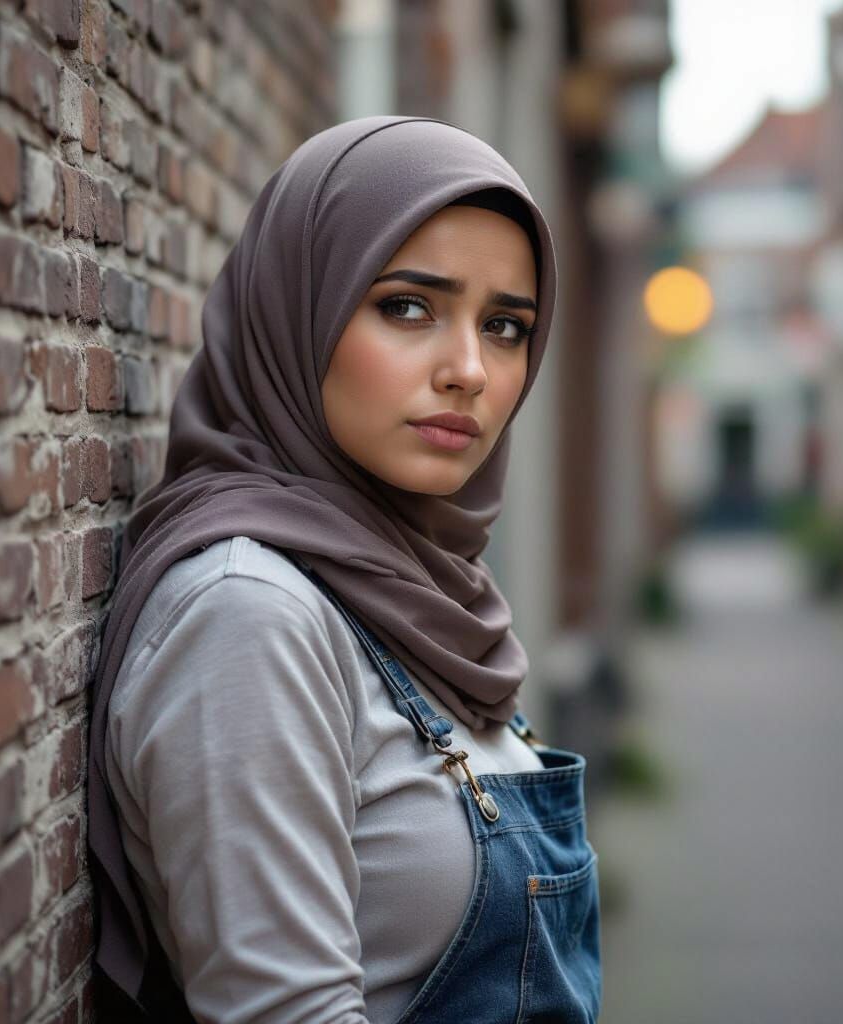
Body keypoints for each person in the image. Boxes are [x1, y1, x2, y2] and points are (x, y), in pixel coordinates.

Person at [87, 114, 602, 1023]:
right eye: (408, 306)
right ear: (300, 308)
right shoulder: (248, 616)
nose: (470, 370)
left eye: (507, 325)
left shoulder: (428, 587)